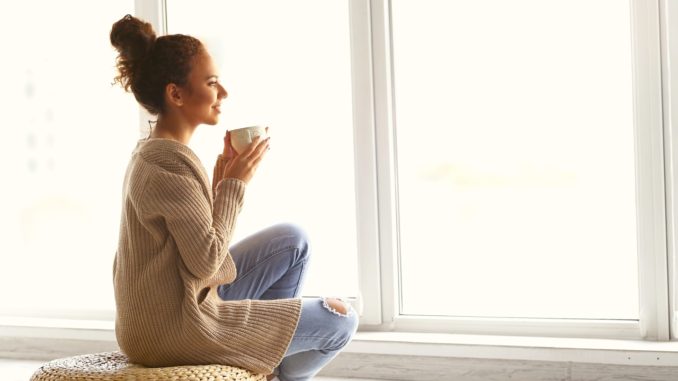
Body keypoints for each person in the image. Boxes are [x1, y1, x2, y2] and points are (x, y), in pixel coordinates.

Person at [109, 14, 358, 381]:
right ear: (175, 94)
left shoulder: (157, 152)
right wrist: (233, 187)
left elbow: (185, 244)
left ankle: (263, 364)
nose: (222, 94)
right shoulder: (167, 163)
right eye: (211, 83)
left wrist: (219, 182)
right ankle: (276, 375)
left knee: (293, 241)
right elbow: (207, 262)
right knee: (341, 318)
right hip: (175, 330)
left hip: (171, 307)